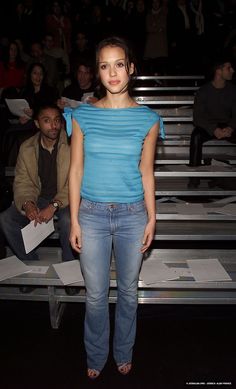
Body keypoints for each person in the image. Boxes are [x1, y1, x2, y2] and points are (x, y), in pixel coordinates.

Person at [64, 36, 164, 379]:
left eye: (119, 64)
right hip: (90, 215)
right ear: (98, 72)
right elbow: (75, 170)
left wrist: (153, 217)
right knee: (94, 296)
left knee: (127, 292)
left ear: (131, 68)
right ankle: (95, 355)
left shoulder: (148, 119)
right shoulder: (82, 116)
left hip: (132, 215)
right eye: (104, 65)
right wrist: (74, 219)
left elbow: (146, 172)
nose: (112, 72)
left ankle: (123, 351)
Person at [0, 104, 75, 269]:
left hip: (66, 198)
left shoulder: (72, 144)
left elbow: (76, 182)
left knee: (69, 220)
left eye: (57, 120)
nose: (53, 125)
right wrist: (27, 203)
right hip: (39, 197)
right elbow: (22, 181)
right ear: (36, 124)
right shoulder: (27, 148)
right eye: (47, 121)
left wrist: (54, 205)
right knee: (6, 219)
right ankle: (30, 263)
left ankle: (70, 266)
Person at [189, 56, 236, 187]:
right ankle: (194, 177)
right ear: (219, 71)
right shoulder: (203, 91)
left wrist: (231, 127)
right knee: (196, 136)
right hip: (209, 126)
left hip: (227, 126)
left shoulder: (233, 90)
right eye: (229, 68)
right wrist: (214, 129)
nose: (232, 70)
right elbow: (198, 117)